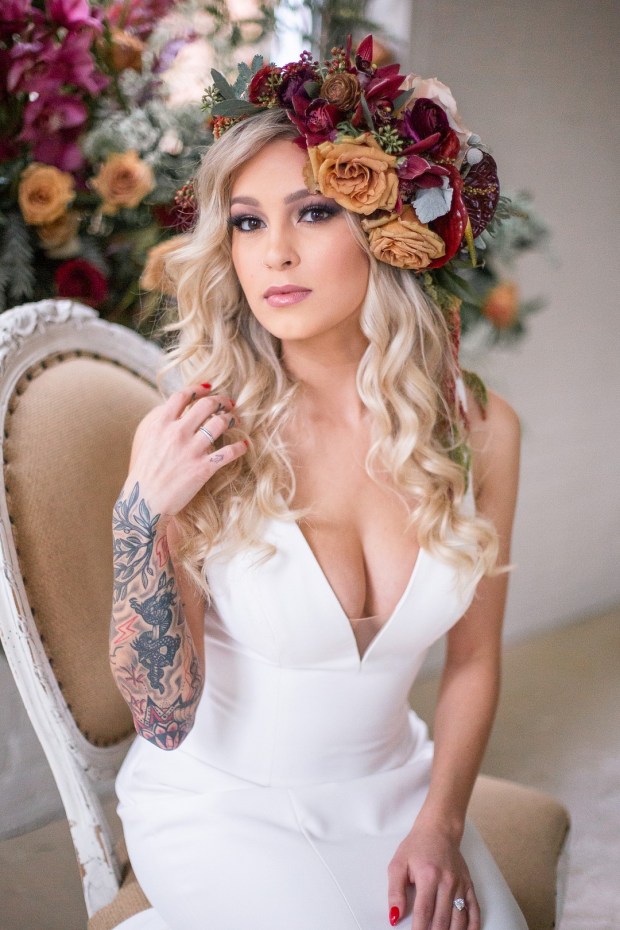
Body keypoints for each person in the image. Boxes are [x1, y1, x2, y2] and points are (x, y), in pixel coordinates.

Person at [110, 36, 525, 930]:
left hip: (398, 791)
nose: (275, 255)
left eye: (314, 212)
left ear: (389, 230)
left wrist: (441, 823)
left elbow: (473, 662)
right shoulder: (201, 431)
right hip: (221, 806)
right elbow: (162, 720)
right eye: (248, 223)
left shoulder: (481, 430)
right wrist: (139, 519)